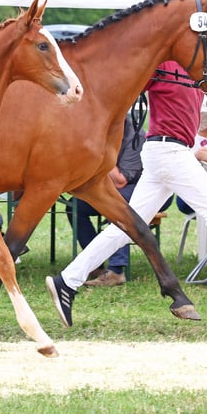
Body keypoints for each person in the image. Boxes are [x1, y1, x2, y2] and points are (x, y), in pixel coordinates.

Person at [46, 60, 207, 326]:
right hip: (169, 151)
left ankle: (67, 280)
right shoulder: (163, 65)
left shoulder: (197, 69)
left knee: (125, 227)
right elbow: (127, 84)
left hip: (164, 152)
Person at [66, 114, 169, 287]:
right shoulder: (97, 132)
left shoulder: (135, 136)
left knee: (113, 205)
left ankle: (116, 270)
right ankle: (95, 263)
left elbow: (120, 180)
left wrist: (99, 152)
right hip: (113, 188)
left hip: (146, 190)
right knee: (75, 207)